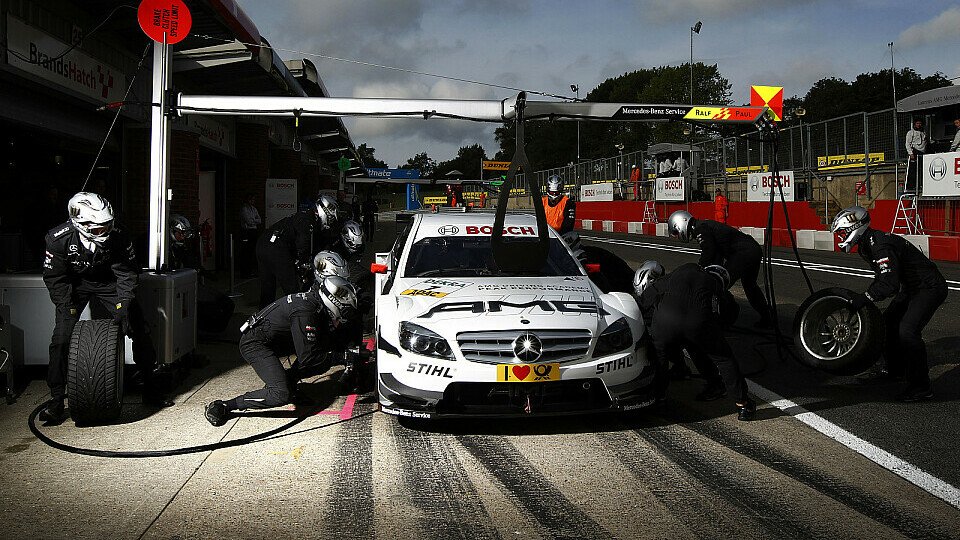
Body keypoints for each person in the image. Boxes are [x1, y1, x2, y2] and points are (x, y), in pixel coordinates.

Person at [40, 192, 171, 423]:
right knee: (61, 339)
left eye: (107, 225)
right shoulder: (57, 239)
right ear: (80, 224)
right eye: (99, 228)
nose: (106, 232)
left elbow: (127, 272)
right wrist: (67, 306)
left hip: (110, 281)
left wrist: (123, 305)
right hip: (75, 285)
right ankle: (56, 401)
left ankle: (151, 390)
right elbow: (55, 279)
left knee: (139, 330)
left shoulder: (119, 234)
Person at [203, 275, 359, 426]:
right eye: (344, 309)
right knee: (280, 394)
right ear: (332, 301)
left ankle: (290, 382)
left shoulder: (314, 302)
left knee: (323, 350)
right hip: (255, 344)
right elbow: (308, 358)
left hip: (274, 339)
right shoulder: (305, 311)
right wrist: (342, 357)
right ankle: (226, 405)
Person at [832, 206, 947, 402]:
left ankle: (921, 387)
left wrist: (865, 298)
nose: (841, 236)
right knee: (887, 325)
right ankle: (896, 371)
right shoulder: (868, 244)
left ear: (856, 227)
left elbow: (888, 284)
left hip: (929, 288)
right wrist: (869, 295)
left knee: (907, 332)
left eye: (843, 231)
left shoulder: (879, 244)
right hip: (911, 288)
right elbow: (887, 281)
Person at [667, 210, 771, 326]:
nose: (677, 236)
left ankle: (718, 318)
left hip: (743, 252)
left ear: (681, 223)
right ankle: (767, 318)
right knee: (749, 286)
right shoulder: (704, 225)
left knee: (719, 284)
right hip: (752, 249)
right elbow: (716, 256)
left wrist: (698, 270)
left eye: (676, 232)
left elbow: (708, 253)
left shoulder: (700, 228)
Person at [256, 194, 338, 308]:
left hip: (264, 243)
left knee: (268, 287)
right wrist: (303, 264)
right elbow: (303, 245)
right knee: (291, 288)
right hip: (276, 247)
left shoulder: (305, 217)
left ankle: (263, 317)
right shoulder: (307, 221)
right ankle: (298, 315)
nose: (330, 221)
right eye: (330, 217)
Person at [239, 194, 261, 277]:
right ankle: (245, 272)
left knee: (251, 251)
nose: (252, 201)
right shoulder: (244, 209)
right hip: (246, 231)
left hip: (253, 231)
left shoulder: (254, 209)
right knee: (246, 251)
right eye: (251, 200)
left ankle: (250, 271)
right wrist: (254, 220)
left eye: (253, 200)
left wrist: (253, 220)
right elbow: (248, 221)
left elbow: (260, 220)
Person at [904, 119, 927, 192]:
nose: (919, 125)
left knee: (921, 170)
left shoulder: (923, 133)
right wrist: (910, 153)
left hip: (922, 152)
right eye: (917, 123)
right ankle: (911, 186)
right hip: (914, 152)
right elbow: (907, 143)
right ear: (914, 124)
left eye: (920, 123)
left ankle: (920, 185)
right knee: (912, 170)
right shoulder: (911, 133)